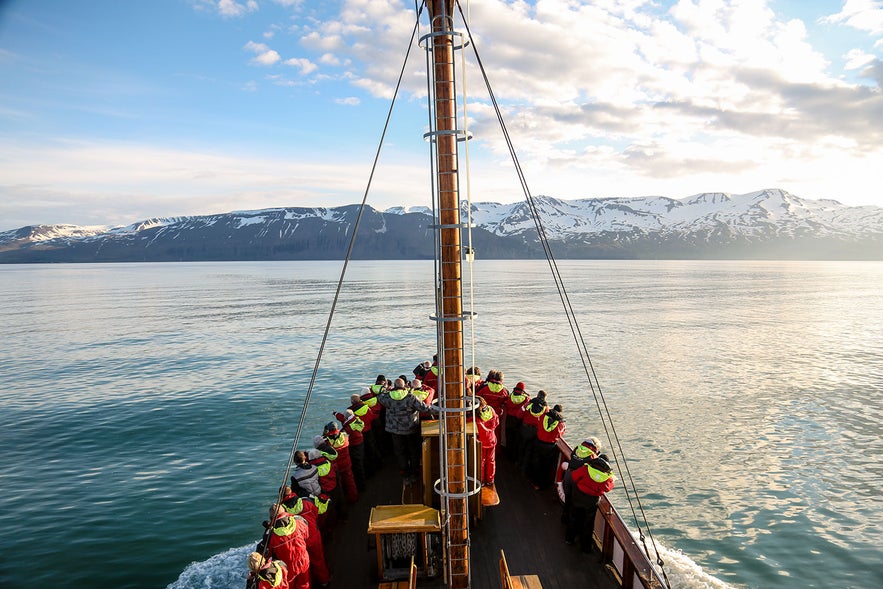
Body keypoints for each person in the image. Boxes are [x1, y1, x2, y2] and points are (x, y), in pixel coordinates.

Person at [379, 377, 440, 483]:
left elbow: (380, 396)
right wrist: (439, 410)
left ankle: (404, 473)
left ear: (394, 386)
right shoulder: (410, 397)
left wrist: (385, 389)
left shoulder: (387, 398)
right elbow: (425, 408)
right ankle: (415, 472)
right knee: (413, 451)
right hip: (411, 429)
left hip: (395, 430)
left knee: (400, 452)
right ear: (404, 386)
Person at [281, 488, 330, 588]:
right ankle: (324, 581)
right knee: (318, 559)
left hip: (299, 541)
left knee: (304, 567)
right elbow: (318, 512)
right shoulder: (306, 502)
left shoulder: (283, 511)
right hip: (314, 536)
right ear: (292, 493)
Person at [567, 454, 615, 553]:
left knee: (574, 517)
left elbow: (574, 476)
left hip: (578, 496)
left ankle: (569, 539)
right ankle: (585, 547)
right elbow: (607, 488)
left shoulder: (586, 468)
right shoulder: (606, 476)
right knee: (588, 523)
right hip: (592, 501)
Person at [267, 506, 311, 589]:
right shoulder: (299, 522)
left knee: (289, 585)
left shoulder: (272, 536)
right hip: (303, 559)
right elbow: (306, 535)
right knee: (304, 583)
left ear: (271, 518)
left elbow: (268, 554)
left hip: (287, 566)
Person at [561, 437, 600, 524]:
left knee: (568, 498)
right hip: (577, 479)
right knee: (575, 501)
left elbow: (572, 457)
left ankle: (564, 518)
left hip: (568, 475)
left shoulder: (577, 448)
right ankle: (572, 523)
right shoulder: (592, 455)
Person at [528, 403, 565, 489]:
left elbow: (538, 424)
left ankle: (534, 481)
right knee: (546, 466)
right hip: (550, 447)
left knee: (536, 462)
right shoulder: (560, 424)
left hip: (539, 442)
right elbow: (560, 435)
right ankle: (542, 484)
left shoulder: (543, 416)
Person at [323, 420, 358, 504]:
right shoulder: (345, 436)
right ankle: (354, 498)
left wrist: (324, 433)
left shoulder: (327, 442)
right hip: (347, 463)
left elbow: (324, 446)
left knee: (340, 484)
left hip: (337, 466)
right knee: (350, 481)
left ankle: (344, 501)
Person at [333, 408, 366, 491]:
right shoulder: (356, 420)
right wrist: (335, 413)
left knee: (358, 465)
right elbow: (342, 418)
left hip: (355, 446)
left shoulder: (349, 427)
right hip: (360, 442)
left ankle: (361, 485)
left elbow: (343, 433)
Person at [519, 390, 548, 473]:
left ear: (537, 395)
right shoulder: (546, 408)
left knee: (521, 446)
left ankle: (518, 463)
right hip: (535, 431)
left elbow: (519, 414)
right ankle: (524, 469)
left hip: (524, 428)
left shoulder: (529, 403)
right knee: (529, 449)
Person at [503, 381, 530, 462]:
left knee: (509, 437)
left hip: (509, 418)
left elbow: (506, 403)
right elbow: (527, 406)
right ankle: (515, 457)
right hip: (518, 420)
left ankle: (507, 455)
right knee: (516, 439)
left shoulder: (511, 396)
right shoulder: (526, 399)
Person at [475, 396, 499, 485]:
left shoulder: (476, 416)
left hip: (481, 442)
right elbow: (497, 422)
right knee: (491, 461)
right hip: (491, 440)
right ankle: (490, 480)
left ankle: (481, 481)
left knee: (481, 462)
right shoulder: (491, 410)